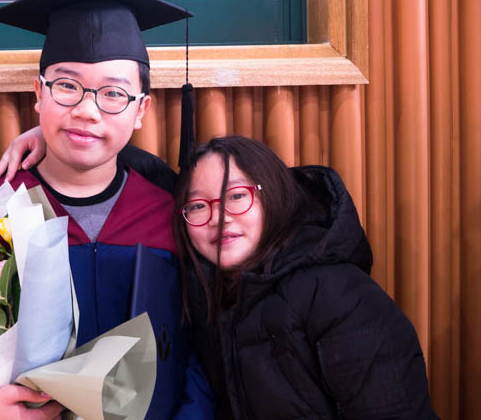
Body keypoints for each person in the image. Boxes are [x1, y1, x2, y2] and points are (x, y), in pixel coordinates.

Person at [0, 0, 214, 419]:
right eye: (67, 86)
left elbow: (203, 352)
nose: (87, 110)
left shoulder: (171, 215)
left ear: (141, 109)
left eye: (113, 93)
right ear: (39, 94)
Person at [172, 135, 438, 419]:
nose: (218, 217)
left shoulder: (336, 294)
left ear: (272, 194)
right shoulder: (208, 298)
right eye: (198, 205)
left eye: (237, 196)